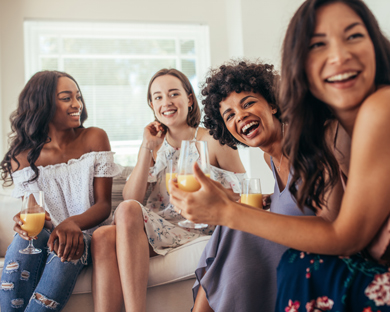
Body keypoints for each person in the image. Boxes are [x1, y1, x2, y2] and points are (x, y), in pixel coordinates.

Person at [169, 0, 390, 310]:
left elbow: (343, 233)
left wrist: (227, 211)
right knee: (238, 234)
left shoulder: (361, 117)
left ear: (273, 102)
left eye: (353, 36)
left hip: (343, 253)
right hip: (334, 249)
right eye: (318, 45)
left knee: (285, 257)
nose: (339, 56)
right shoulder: (276, 155)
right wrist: (232, 208)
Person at [91, 68, 246, 312]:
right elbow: (131, 196)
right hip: (159, 227)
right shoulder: (156, 145)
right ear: (152, 105)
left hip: (195, 227)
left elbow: (243, 193)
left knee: (128, 211)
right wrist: (146, 147)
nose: (167, 102)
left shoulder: (214, 140)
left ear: (189, 99)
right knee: (101, 236)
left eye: (174, 94)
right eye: (159, 97)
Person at [191, 60, 317, 312]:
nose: (241, 116)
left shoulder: (306, 143)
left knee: (235, 226)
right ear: (227, 128)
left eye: (247, 103)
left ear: (272, 103)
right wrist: (271, 197)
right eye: (230, 115)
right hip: (290, 246)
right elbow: (298, 194)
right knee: (231, 225)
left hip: (313, 251)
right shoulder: (268, 157)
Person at [0, 70, 120, 311]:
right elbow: (34, 212)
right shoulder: (21, 155)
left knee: (66, 249)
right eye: (66, 98)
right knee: (29, 238)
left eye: (78, 97)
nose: (77, 104)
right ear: (43, 104)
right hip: (48, 235)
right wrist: (24, 223)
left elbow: (103, 206)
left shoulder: (94, 138)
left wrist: (72, 224)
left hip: (85, 235)